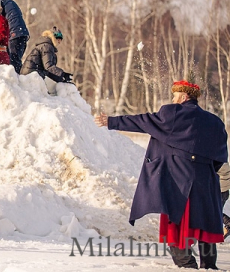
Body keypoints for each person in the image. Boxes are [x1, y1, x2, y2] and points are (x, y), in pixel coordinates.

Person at [94, 80, 228, 270]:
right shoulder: (215, 122)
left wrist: (112, 121)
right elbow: (220, 156)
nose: (173, 99)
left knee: (178, 225)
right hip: (206, 182)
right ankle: (209, 266)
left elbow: (143, 121)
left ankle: (187, 266)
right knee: (204, 226)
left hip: (179, 183)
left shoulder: (173, 113)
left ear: (183, 96)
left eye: (175, 96)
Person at [20, 27, 73, 94]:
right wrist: (63, 74)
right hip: (31, 76)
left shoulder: (45, 45)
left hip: (29, 75)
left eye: (61, 39)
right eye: (58, 38)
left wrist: (61, 78)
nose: (59, 41)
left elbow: (48, 70)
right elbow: (48, 67)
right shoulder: (47, 46)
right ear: (52, 37)